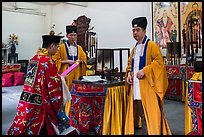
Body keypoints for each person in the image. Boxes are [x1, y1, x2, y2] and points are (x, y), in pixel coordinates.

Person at [7, 35, 79, 135]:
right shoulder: (47, 61)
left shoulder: (34, 58)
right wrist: (63, 78)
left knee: (25, 121)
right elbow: (53, 83)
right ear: (52, 46)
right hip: (41, 100)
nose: (58, 50)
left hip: (27, 96)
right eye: (57, 47)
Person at [124, 17, 172, 135]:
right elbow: (130, 65)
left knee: (151, 115)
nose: (135, 33)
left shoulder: (152, 45)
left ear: (144, 31)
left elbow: (159, 63)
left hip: (149, 88)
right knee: (142, 114)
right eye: (133, 30)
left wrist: (145, 70)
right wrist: (129, 75)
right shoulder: (134, 49)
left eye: (138, 30)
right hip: (136, 87)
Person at [52, 25, 87, 116]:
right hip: (66, 73)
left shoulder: (79, 48)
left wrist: (80, 61)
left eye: (75, 35)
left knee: (76, 92)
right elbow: (55, 60)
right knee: (66, 93)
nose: (73, 37)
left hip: (77, 73)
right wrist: (66, 61)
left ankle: (75, 111)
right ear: (67, 36)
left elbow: (84, 58)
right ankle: (65, 112)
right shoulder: (61, 47)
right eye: (71, 35)